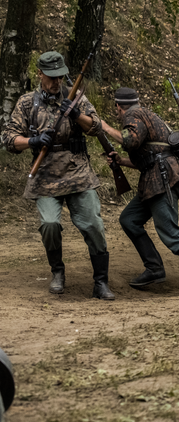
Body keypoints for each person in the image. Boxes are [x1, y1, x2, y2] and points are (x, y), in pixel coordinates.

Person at [1, 52, 114, 300]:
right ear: (40, 74)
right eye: (51, 77)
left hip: (77, 171)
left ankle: (101, 281)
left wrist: (76, 115)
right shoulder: (27, 103)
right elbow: (8, 138)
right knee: (50, 224)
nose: (56, 82)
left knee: (93, 223)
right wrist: (32, 140)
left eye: (60, 76)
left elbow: (96, 126)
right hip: (45, 175)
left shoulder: (75, 98)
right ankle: (57, 271)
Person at [100, 87, 179, 296]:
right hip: (153, 178)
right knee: (129, 219)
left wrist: (105, 127)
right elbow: (151, 156)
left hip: (161, 179)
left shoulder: (133, 115)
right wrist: (122, 161)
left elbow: (130, 140)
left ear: (118, 106)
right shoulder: (145, 114)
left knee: (170, 232)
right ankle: (154, 268)